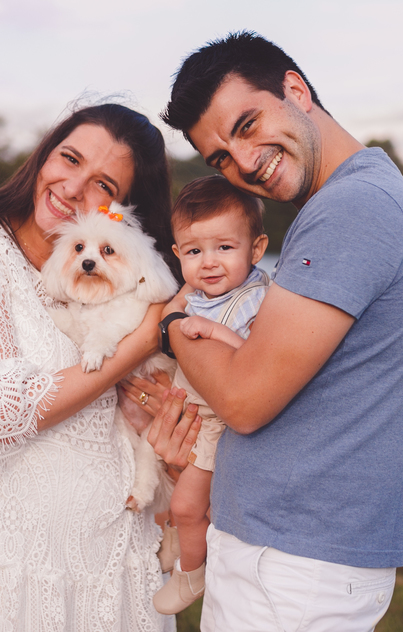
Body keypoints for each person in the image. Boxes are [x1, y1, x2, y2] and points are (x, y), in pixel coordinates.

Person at [159, 32, 403, 631]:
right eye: (219, 158)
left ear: (295, 88)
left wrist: (170, 324)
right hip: (291, 557)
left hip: (294, 564)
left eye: (246, 124)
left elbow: (243, 399)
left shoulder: (352, 208)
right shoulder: (362, 199)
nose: (242, 163)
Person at [0, 103, 200, 632]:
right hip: (8, 572)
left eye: (103, 184)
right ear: (45, 153)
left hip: (117, 567)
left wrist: (166, 438)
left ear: (120, 211)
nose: (72, 187)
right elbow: (1, 409)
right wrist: (141, 339)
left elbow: (151, 410)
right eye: (69, 159)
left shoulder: (123, 278)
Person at [152, 175, 270, 614]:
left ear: (255, 250)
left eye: (225, 247)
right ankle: (175, 541)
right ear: (179, 254)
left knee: (186, 502)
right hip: (191, 407)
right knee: (168, 479)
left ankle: (189, 576)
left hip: (216, 419)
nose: (210, 262)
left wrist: (215, 331)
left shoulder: (255, 301)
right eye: (195, 251)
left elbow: (261, 361)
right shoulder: (197, 293)